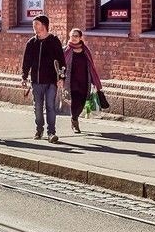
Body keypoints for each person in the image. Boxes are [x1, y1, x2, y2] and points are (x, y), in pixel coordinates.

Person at [21, 14, 66, 143]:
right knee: (38, 107)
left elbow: (61, 61)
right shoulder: (31, 43)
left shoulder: (54, 41)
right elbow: (26, 62)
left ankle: (51, 133)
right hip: (36, 81)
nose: (34, 26)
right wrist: (24, 77)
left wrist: (62, 77)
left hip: (51, 81)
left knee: (50, 106)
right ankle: (39, 129)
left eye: (37, 24)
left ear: (44, 25)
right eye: (33, 24)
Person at [64, 28, 103, 134]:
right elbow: (61, 67)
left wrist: (95, 81)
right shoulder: (66, 50)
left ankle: (75, 117)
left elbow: (91, 66)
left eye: (76, 36)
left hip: (84, 80)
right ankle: (74, 121)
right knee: (75, 100)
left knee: (82, 102)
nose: (73, 38)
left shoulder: (85, 50)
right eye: (72, 36)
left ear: (80, 38)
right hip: (71, 81)